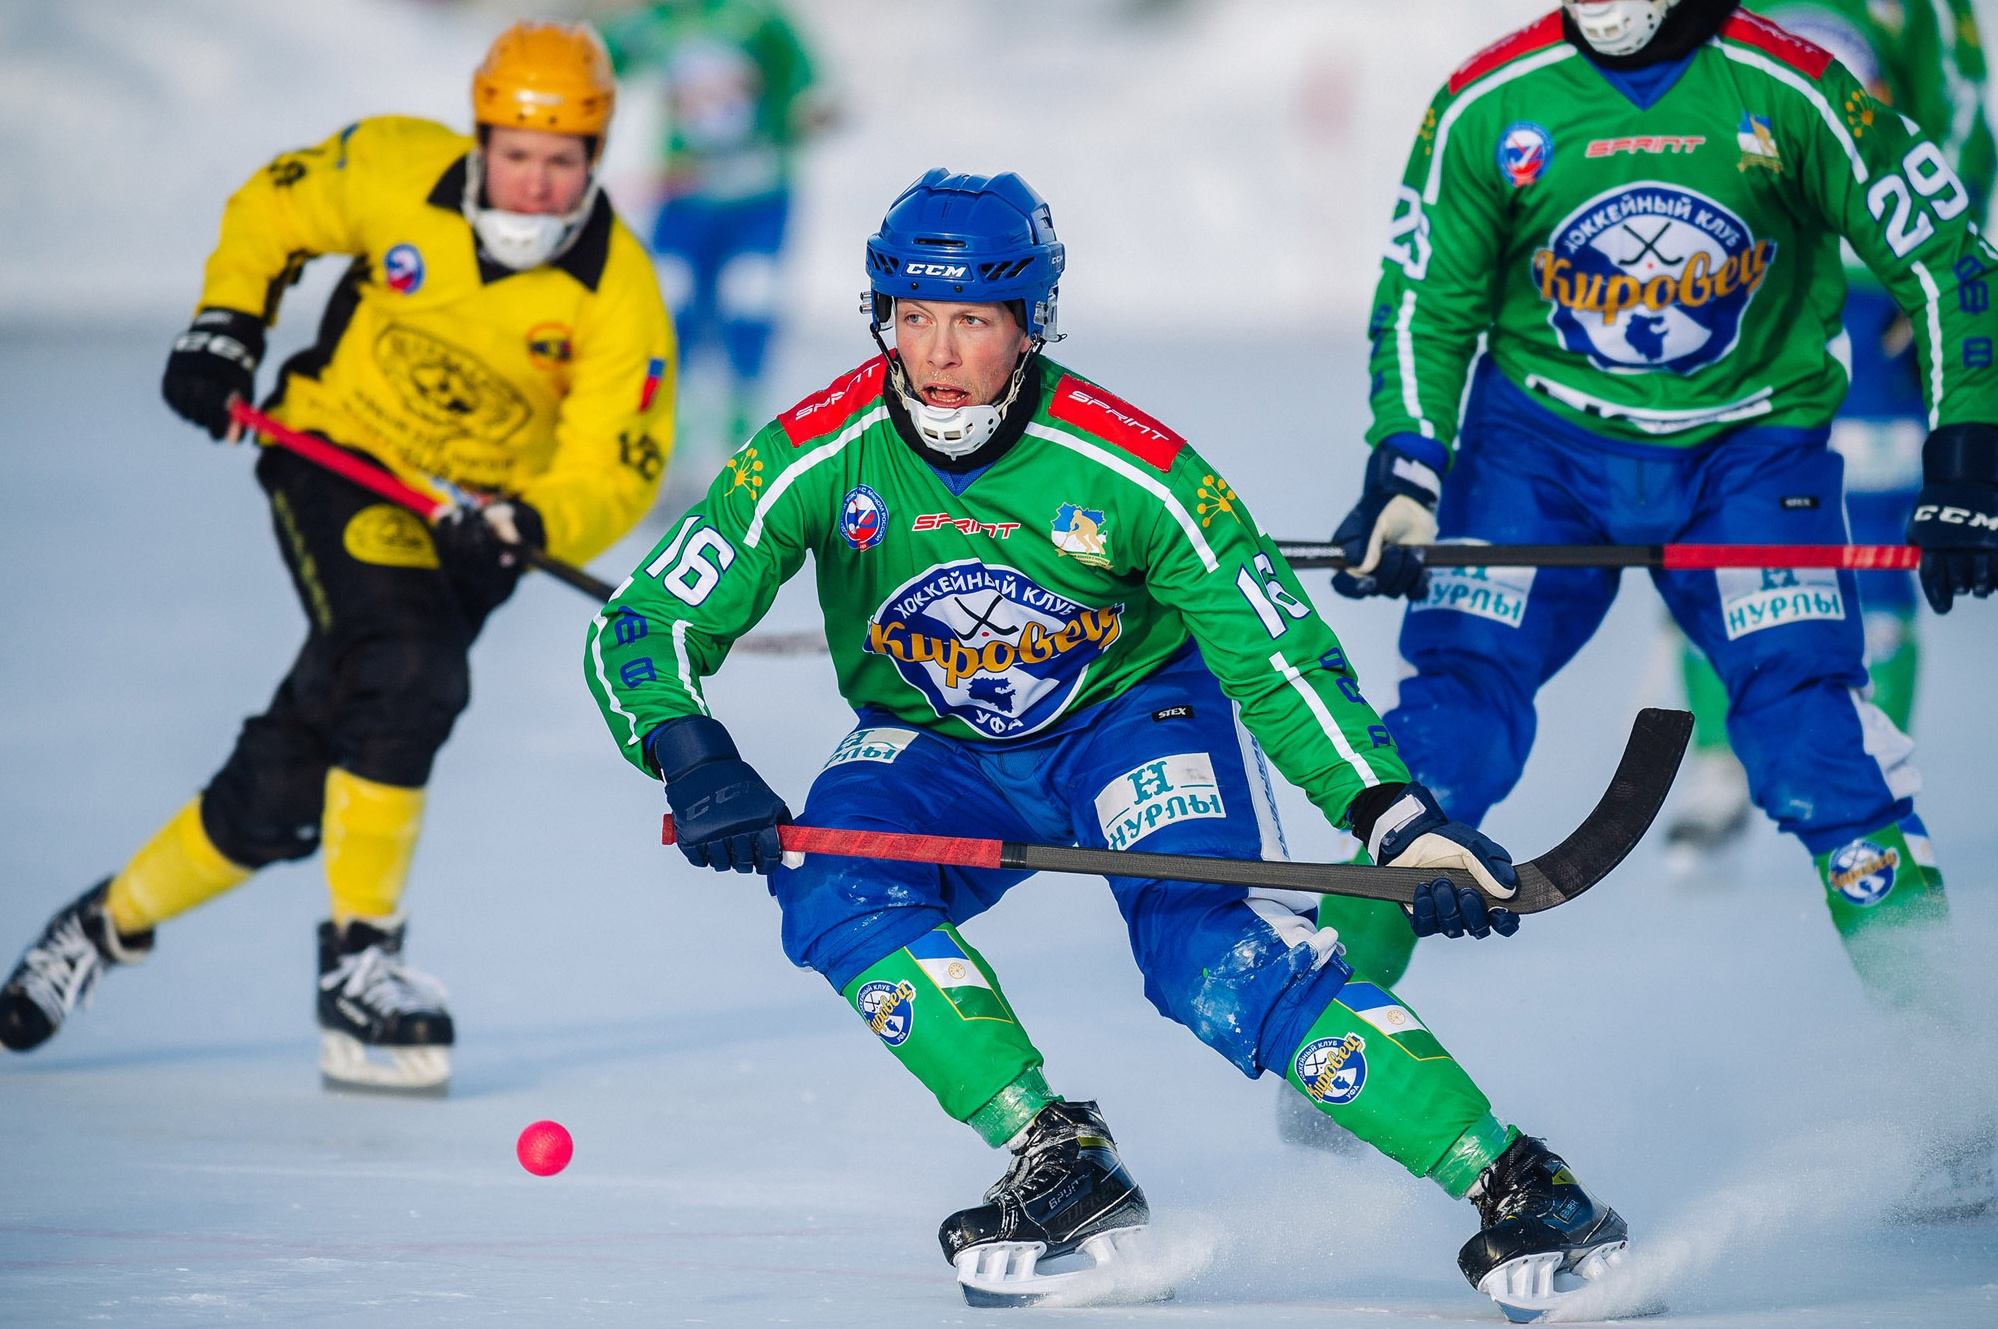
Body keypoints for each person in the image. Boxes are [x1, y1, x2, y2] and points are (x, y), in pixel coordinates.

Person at [585, 168, 1632, 1319]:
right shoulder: (814, 452)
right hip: (932, 744)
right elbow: (647, 622)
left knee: (1205, 952)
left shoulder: (1135, 467)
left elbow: (1275, 654)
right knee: (834, 879)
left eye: (973, 322)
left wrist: (1394, 817)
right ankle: (1058, 1158)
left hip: (1133, 724)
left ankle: (1521, 1184)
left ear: (1032, 325)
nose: (936, 354)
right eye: (913, 318)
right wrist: (694, 755)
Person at [1318, 0, 1995, 1216]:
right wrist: (1407, 469)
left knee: (1812, 744)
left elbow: (1947, 256)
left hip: (1746, 456)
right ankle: (1336, 1040)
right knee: (1452, 728)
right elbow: (1426, 293)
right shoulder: (1492, 99)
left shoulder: (1789, 87)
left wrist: (1969, 454)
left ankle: (1952, 1083)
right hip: (1538, 457)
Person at [0, 21, 677, 1095]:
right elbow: (275, 206)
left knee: (290, 779)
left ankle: (102, 924)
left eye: (562, 162)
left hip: (472, 530)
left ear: (593, 159)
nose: (536, 183)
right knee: (408, 671)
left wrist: (532, 520)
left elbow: (621, 463)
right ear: (482, 134)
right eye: (516, 153)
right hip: (337, 460)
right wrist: (227, 324)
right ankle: (362, 962)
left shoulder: (617, 293)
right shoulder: (398, 167)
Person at [1666, 0, 1995, 854]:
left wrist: (1915, 273)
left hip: (1865, 285)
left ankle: (1869, 773)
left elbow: (1959, 116)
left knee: (1876, 532)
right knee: (1710, 518)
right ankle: (1717, 759)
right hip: (1729, 283)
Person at [599, 0, 829, 455]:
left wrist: (801, 115)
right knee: (673, 298)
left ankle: (743, 418)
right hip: (685, 199)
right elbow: (600, 63)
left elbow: (807, 87)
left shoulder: (760, 18)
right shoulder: (658, 23)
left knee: (750, 296)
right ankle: (672, 419)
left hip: (758, 197)